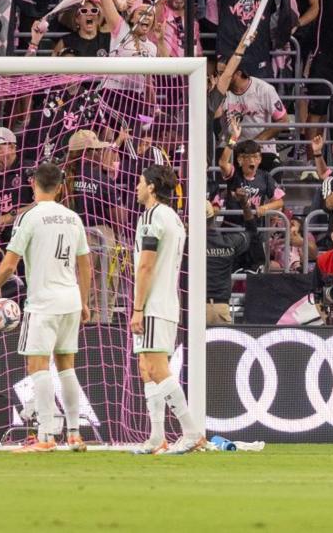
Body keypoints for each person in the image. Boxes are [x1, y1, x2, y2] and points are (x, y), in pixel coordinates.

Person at [0, 162, 94, 452]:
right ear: (60, 187)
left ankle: (46, 436)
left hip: (43, 302)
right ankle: (74, 433)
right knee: (66, 366)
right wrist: (84, 301)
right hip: (70, 300)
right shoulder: (73, 218)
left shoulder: (29, 217)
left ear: (33, 183)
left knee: (37, 366)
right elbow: (86, 265)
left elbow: (10, 264)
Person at [132, 164, 200, 454]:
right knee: (146, 368)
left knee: (158, 369)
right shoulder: (173, 218)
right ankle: (157, 437)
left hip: (153, 304)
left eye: (139, 182)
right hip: (166, 301)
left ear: (151, 187)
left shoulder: (152, 217)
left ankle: (192, 431)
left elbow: (146, 265)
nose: (135, 187)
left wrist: (137, 308)